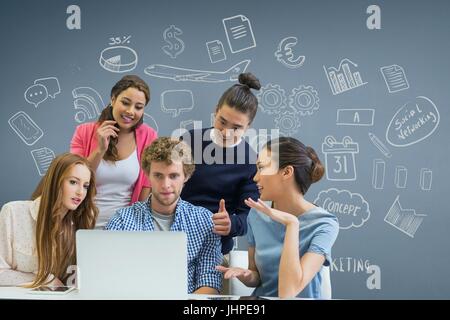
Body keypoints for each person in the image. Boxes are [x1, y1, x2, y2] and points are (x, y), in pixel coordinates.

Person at [216, 137, 339, 299]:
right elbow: (257, 276)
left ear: (286, 172)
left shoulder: (324, 224)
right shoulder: (256, 214)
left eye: (262, 168)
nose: (255, 178)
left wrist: (291, 224)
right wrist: (247, 275)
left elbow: (289, 293)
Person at [105, 137, 223, 294]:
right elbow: (109, 276)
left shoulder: (204, 221)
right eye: (158, 176)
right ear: (148, 175)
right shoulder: (122, 220)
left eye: (173, 176)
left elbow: (210, 281)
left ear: (186, 176)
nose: (165, 185)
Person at [180, 72, 260, 255]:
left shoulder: (251, 162)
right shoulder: (189, 140)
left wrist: (231, 224)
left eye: (237, 127)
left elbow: (248, 217)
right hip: (175, 240)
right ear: (216, 111)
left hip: (215, 246)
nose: (226, 132)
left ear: (249, 126)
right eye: (222, 122)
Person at [70, 75, 157, 228]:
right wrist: (100, 150)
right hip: (82, 223)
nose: (131, 111)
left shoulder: (149, 136)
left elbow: (145, 189)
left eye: (138, 107)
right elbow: (74, 179)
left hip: (125, 227)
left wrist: (135, 227)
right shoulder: (84, 132)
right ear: (113, 99)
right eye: (125, 103)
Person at [0, 153, 98, 287]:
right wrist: (47, 280)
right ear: (56, 181)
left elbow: (71, 282)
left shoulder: (77, 227)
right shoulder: (13, 212)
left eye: (85, 186)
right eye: (73, 182)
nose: (80, 192)